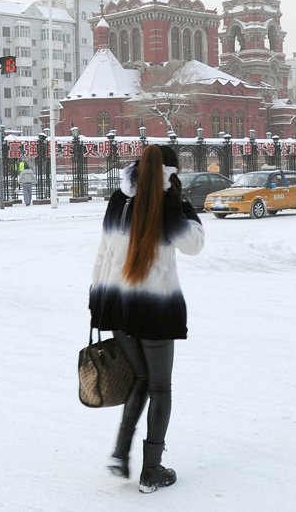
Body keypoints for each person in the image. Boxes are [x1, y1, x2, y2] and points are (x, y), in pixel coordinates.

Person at [89, 145, 204, 494]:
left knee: (141, 378)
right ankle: (151, 470)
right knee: (159, 387)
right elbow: (194, 244)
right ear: (169, 171)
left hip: (119, 308)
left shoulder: (119, 200)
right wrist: (180, 204)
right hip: (155, 311)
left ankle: (121, 452)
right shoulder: (168, 204)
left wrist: (97, 306)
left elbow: (103, 253)